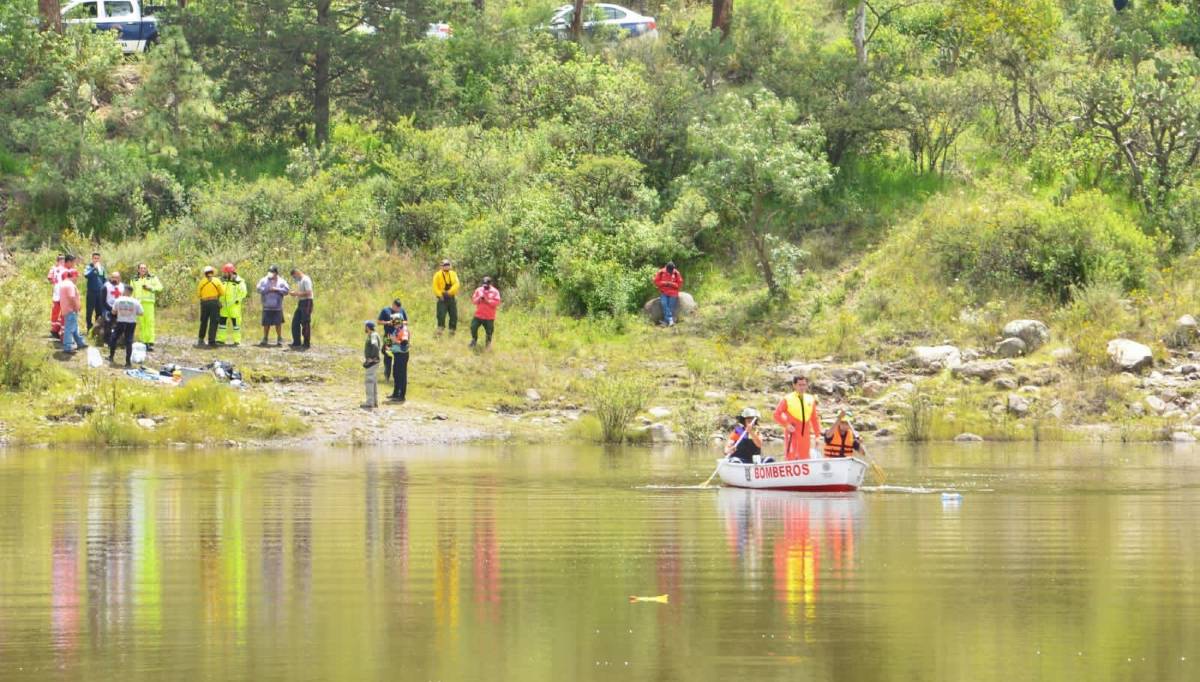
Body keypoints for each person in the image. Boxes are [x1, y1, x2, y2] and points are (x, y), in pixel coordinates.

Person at [773, 376, 822, 461]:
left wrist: (817, 436)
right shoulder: (788, 399)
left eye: (804, 385)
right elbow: (776, 414)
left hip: (806, 435)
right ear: (794, 385)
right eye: (800, 385)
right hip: (792, 434)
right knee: (791, 458)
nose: (802, 387)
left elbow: (814, 419)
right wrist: (786, 425)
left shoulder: (811, 399)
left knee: (805, 459)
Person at [108, 284, 144, 368]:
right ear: (131, 293)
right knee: (129, 341)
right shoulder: (135, 301)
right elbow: (141, 313)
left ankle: (111, 356)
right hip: (131, 322)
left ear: (126, 291)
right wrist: (133, 312)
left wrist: (121, 312)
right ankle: (128, 362)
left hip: (121, 321)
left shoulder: (118, 300)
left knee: (114, 338)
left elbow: (113, 312)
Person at [130, 264, 163, 351]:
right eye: (141, 268)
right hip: (138, 303)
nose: (143, 270)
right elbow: (132, 292)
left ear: (147, 269)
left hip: (149, 303)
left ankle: (150, 341)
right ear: (138, 270)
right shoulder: (134, 279)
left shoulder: (152, 277)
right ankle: (144, 341)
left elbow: (160, 287)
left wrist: (150, 288)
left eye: (145, 268)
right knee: (142, 323)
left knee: (149, 322)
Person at [256, 266, 290, 346]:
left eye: (272, 272)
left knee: (278, 323)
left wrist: (277, 289)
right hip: (266, 306)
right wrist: (267, 289)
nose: (270, 274)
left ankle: (279, 339)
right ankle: (265, 338)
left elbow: (286, 290)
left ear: (276, 273)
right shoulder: (263, 280)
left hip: (277, 307)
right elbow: (258, 289)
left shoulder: (282, 281)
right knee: (266, 324)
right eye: (269, 272)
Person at [57, 269, 87, 354]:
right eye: (77, 277)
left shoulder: (63, 283)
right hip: (71, 309)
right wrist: (76, 307)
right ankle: (68, 347)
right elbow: (72, 297)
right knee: (69, 329)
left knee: (74, 327)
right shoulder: (70, 285)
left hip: (66, 309)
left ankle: (80, 342)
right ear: (73, 276)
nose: (77, 279)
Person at [377, 299, 408, 381]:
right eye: (396, 308)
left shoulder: (402, 310)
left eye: (399, 308)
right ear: (393, 305)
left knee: (398, 355)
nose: (398, 310)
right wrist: (388, 322)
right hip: (388, 336)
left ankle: (397, 376)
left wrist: (398, 322)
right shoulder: (385, 310)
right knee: (388, 355)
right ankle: (387, 374)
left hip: (399, 336)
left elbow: (406, 322)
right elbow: (379, 322)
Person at [217, 263, 248, 346]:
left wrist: (237, 300)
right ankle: (220, 340)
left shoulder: (239, 281)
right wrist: (218, 301)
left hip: (234, 307)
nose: (224, 274)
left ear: (230, 272)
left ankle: (237, 341)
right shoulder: (222, 280)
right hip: (223, 307)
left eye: (225, 272)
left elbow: (243, 293)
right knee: (222, 324)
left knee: (236, 325)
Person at [196, 266, 225, 347]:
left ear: (205, 273)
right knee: (213, 322)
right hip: (214, 302)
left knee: (203, 321)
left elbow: (198, 294)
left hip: (204, 303)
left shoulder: (202, 281)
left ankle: (200, 340)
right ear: (212, 272)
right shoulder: (217, 280)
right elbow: (222, 292)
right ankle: (211, 342)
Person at [469, 277, 501, 349]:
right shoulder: (478, 290)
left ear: (490, 284)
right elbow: (473, 301)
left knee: (489, 332)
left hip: (489, 316)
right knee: (473, 327)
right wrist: (479, 298)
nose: (485, 286)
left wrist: (487, 301)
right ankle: (474, 340)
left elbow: (497, 303)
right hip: (478, 315)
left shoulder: (495, 292)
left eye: (487, 285)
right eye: (484, 285)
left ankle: (488, 345)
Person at [432, 259, 461, 335]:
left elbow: (457, 284)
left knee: (454, 315)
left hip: (451, 297)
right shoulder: (437, 275)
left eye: (448, 265)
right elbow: (435, 287)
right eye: (445, 265)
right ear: (441, 266)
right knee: (441, 315)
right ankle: (440, 331)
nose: (447, 266)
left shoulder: (453, 274)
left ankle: (452, 331)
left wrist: (450, 292)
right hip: (442, 299)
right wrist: (440, 295)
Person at [288, 268, 314, 349]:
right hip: (301, 302)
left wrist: (296, 293)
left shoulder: (306, 280)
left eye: (294, 276)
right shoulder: (300, 280)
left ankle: (306, 343)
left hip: (307, 302)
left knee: (305, 323)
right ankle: (296, 342)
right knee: (295, 322)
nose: (294, 278)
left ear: (297, 273)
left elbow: (309, 292)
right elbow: (301, 292)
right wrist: (296, 293)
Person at [653, 262, 683, 327]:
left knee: (670, 306)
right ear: (666, 268)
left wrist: (672, 284)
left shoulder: (676, 273)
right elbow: (656, 281)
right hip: (664, 292)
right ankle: (671, 320)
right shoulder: (661, 272)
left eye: (672, 270)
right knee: (664, 304)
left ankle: (666, 321)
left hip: (673, 293)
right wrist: (665, 283)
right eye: (669, 270)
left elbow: (679, 284)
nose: (671, 271)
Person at [387, 318, 410, 403]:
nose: (393, 325)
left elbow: (404, 342)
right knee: (396, 374)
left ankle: (401, 396)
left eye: (394, 323)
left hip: (402, 355)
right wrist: (388, 345)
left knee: (401, 375)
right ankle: (395, 393)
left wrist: (395, 340)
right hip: (396, 354)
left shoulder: (404, 330)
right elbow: (391, 338)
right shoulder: (396, 329)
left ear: (398, 323)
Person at [83, 252, 106, 332]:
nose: (96, 260)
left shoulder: (102, 268)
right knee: (89, 311)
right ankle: (89, 328)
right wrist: (94, 269)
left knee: (99, 311)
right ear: (92, 259)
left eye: (98, 258)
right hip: (91, 293)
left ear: (100, 259)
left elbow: (104, 280)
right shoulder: (89, 267)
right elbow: (86, 275)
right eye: (95, 258)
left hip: (100, 293)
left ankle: (97, 329)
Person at [362, 320, 382, 409]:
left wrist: (372, 358)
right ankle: (374, 401)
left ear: (367, 327)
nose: (364, 328)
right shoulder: (374, 334)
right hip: (375, 362)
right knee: (373, 382)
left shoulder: (373, 335)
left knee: (369, 381)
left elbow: (375, 346)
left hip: (372, 362)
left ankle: (370, 402)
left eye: (365, 326)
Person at [47, 254, 66, 339]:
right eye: (61, 261)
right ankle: (54, 329)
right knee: (55, 311)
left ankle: (59, 328)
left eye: (63, 261)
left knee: (63, 311)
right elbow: (50, 277)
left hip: (63, 292)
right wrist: (54, 282)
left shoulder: (65, 269)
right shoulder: (54, 268)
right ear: (57, 261)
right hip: (57, 292)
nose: (62, 263)